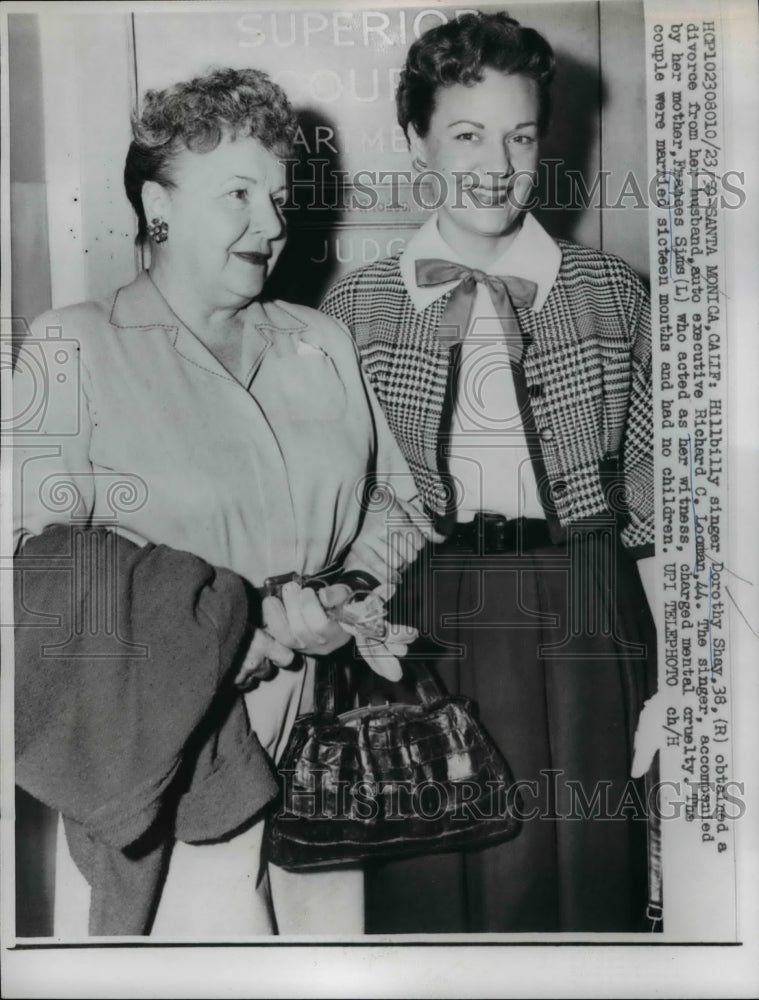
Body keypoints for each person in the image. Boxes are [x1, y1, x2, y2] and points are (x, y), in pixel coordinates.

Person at [13, 67, 430, 937]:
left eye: (279, 197)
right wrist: (228, 631)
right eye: (237, 194)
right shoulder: (75, 346)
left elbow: (399, 503)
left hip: (326, 728)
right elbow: (30, 570)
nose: (272, 224)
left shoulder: (321, 342)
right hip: (169, 733)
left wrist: (345, 592)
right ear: (156, 205)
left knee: (321, 962)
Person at [321, 11, 658, 933]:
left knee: (587, 886)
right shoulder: (354, 305)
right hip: (422, 612)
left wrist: (682, 683)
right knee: (429, 886)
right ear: (416, 140)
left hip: (587, 610)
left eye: (518, 135)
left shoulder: (611, 293)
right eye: (466, 135)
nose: (496, 166)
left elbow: (655, 501)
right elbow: (345, 498)